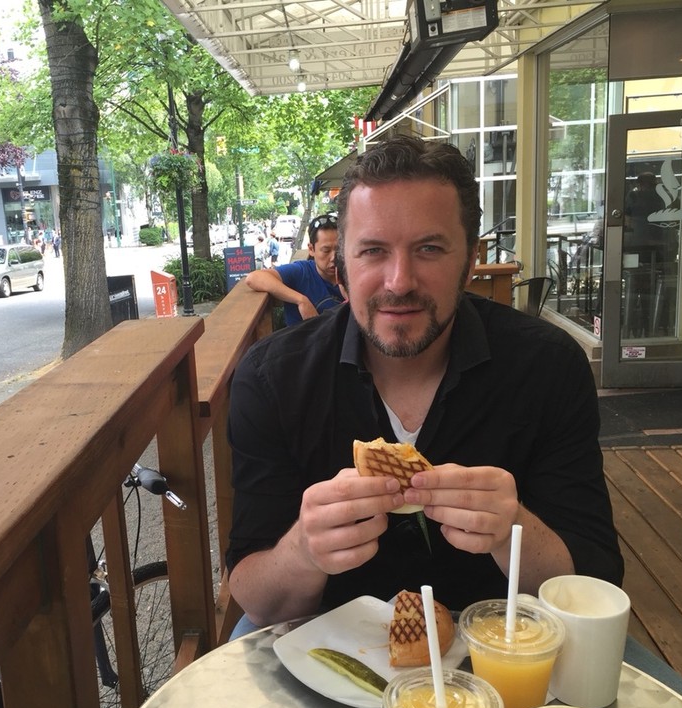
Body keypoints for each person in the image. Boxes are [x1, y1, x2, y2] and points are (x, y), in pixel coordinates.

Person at [226, 136, 623, 633]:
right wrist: (304, 550)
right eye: (373, 251)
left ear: (471, 260)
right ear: (341, 266)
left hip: (500, 658)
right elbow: (257, 603)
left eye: (429, 248)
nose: (399, 281)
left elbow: (596, 580)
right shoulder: (271, 379)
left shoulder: (548, 368)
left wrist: (512, 528)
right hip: (324, 650)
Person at [243, 213, 343, 326]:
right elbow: (253, 278)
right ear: (311, 249)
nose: (334, 257)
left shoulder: (351, 275)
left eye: (339, 249)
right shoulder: (302, 272)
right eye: (326, 250)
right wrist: (300, 300)